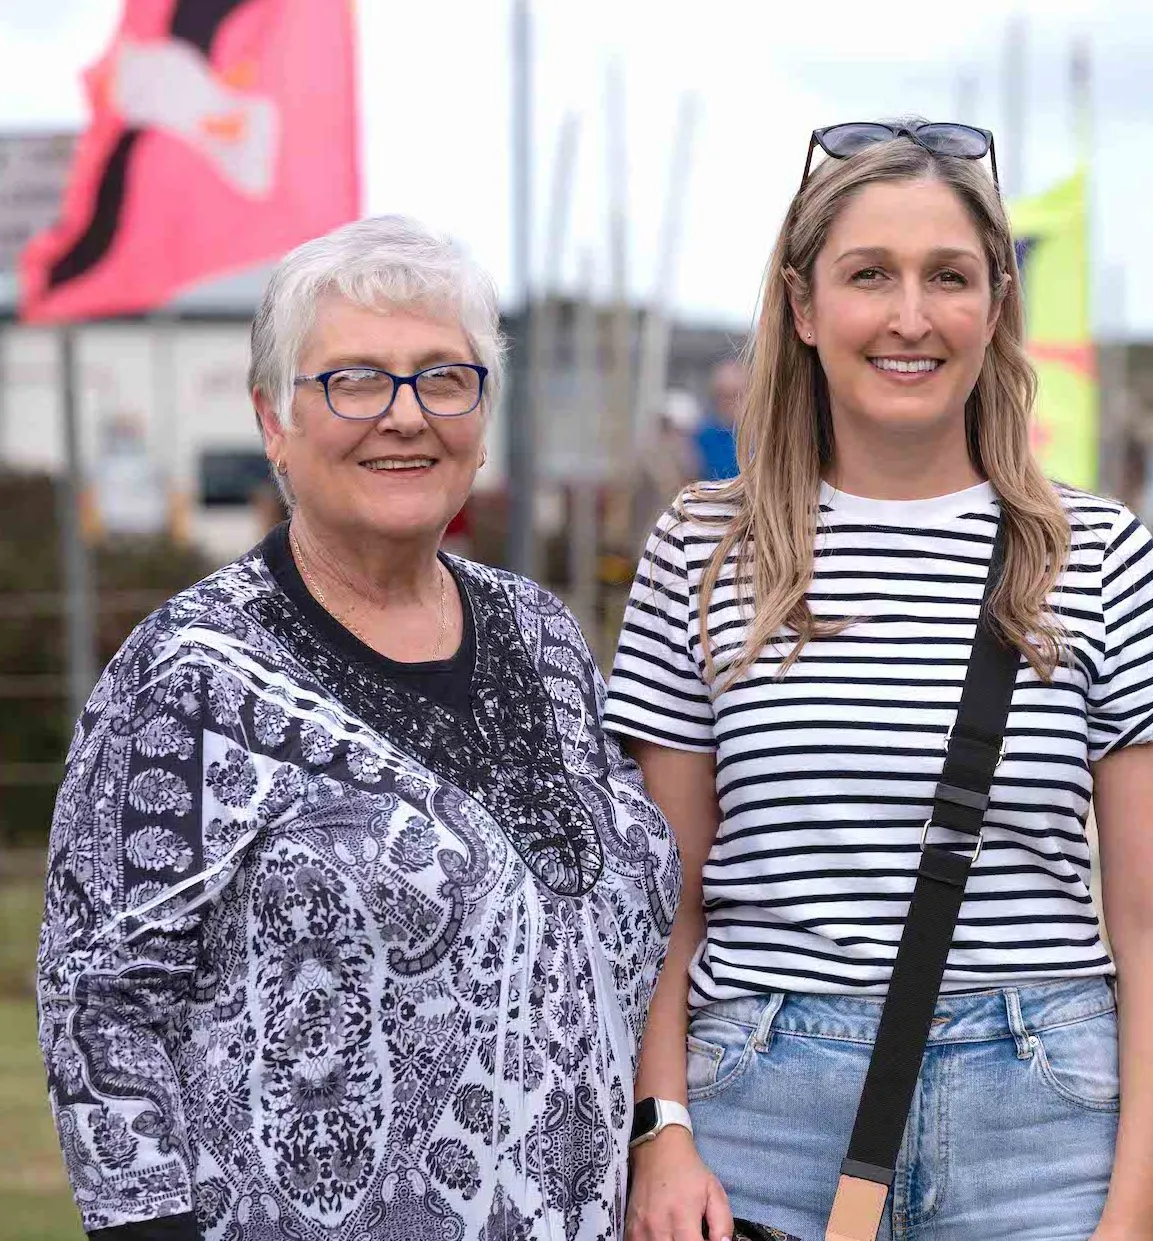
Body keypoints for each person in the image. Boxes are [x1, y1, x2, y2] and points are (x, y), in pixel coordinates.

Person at [608, 119, 1153, 1241]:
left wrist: (1133, 1210)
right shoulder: (701, 549)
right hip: (759, 1110)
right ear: (801, 305)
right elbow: (657, 901)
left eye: (948, 276)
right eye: (867, 275)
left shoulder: (1098, 554)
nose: (909, 316)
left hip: (1038, 1116)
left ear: (996, 304)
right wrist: (663, 1126)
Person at [37, 215, 680, 1241]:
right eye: (353, 379)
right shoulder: (190, 672)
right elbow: (99, 1009)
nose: (404, 415)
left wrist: (662, 1127)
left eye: (442, 377)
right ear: (273, 418)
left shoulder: (545, 636)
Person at [692, 358, 746, 481]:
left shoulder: (760, 437)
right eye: (723, 395)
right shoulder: (701, 437)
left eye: (735, 395)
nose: (730, 403)